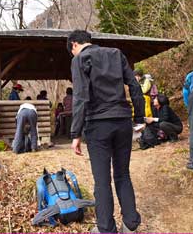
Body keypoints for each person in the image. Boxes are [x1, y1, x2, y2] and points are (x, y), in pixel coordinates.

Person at [67, 30, 144, 233]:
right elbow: (134, 86)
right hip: (123, 121)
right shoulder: (116, 53)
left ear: (74, 44)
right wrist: (138, 118)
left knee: (102, 180)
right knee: (122, 174)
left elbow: (81, 97)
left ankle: (106, 229)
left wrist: (75, 134)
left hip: (98, 124)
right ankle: (130, 224)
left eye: (71, 51)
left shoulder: (80, 58)